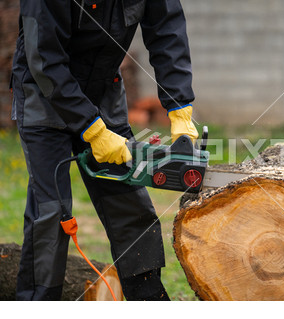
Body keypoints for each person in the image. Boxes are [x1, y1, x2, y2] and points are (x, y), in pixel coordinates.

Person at [10, 0, 198, 301]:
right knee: (51, 216)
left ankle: (149, 299)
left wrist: (180, 108)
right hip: (44, 94)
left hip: (103, 93)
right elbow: (44, 58)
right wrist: (93, 130)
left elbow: (166, 30)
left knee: (130, 206)